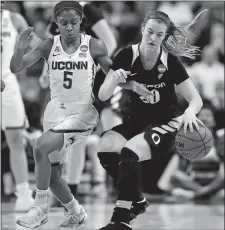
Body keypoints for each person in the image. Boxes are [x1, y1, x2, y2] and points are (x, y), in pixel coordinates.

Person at [97, 10, 205, 230]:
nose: (154, 38)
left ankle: (121, 218)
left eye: (159, 34)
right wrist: (114, 79)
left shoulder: (171, 63)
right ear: (143, 30)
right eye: (150, 32)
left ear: (165, 37)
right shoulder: (127, 55)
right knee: (105, 147)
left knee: (129, 152)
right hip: (137, 121)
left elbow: (196, 99)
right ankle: (138, 199)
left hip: (167, 124)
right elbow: (102, 95)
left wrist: (190, 112)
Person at [9, 1, 113, 228]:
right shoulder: (48, 45)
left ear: (81, 22)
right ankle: (76, 212)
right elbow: (16, 68)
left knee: (40, 146)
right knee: (53, 176)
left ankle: (39, 208)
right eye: (63, 22)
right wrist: (18, 49)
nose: (68, 27)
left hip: (82, 112)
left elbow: (113, 72)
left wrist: (134, 84)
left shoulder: (94, 45)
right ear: (56, 22)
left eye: (73, 23)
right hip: (55, 111)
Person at [39, 1, 118, 199]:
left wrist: (89, 69)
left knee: (97, 137)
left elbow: (111, 43)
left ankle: (114, 186)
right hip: (67, 83)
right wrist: (44, 72)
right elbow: (51, 47)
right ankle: (69, 188)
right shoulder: (58, 13)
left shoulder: (89, 10)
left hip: (95, 81)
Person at [1, 0, 40, 211]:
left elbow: (40, 46)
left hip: (7, 85)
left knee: (16, 139)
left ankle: (23, 194)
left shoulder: (14, 19)